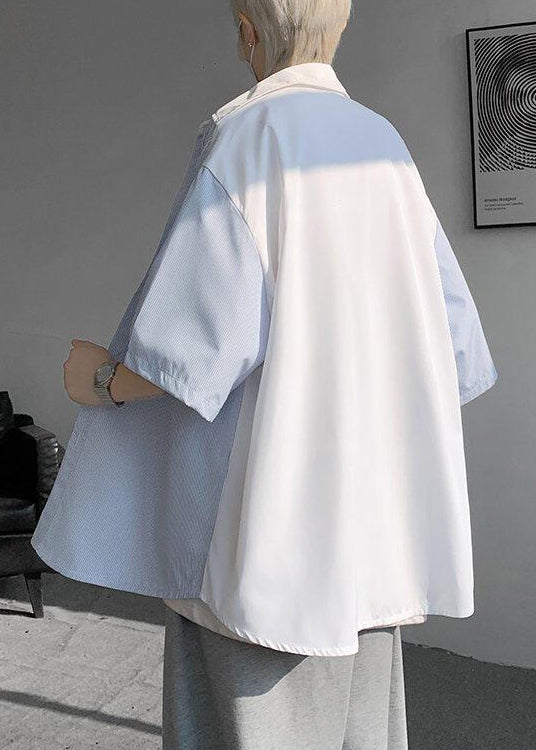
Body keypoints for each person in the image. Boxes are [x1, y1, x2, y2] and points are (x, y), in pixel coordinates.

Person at [31, 1, 499, 747]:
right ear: (340, 27)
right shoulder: (384, 146)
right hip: (377, 529)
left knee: (245, 721)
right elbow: (457, 346)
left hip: (266, 526)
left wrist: (99, 379)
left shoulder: (247, 138)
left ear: (248, 30)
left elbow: (192, 355)